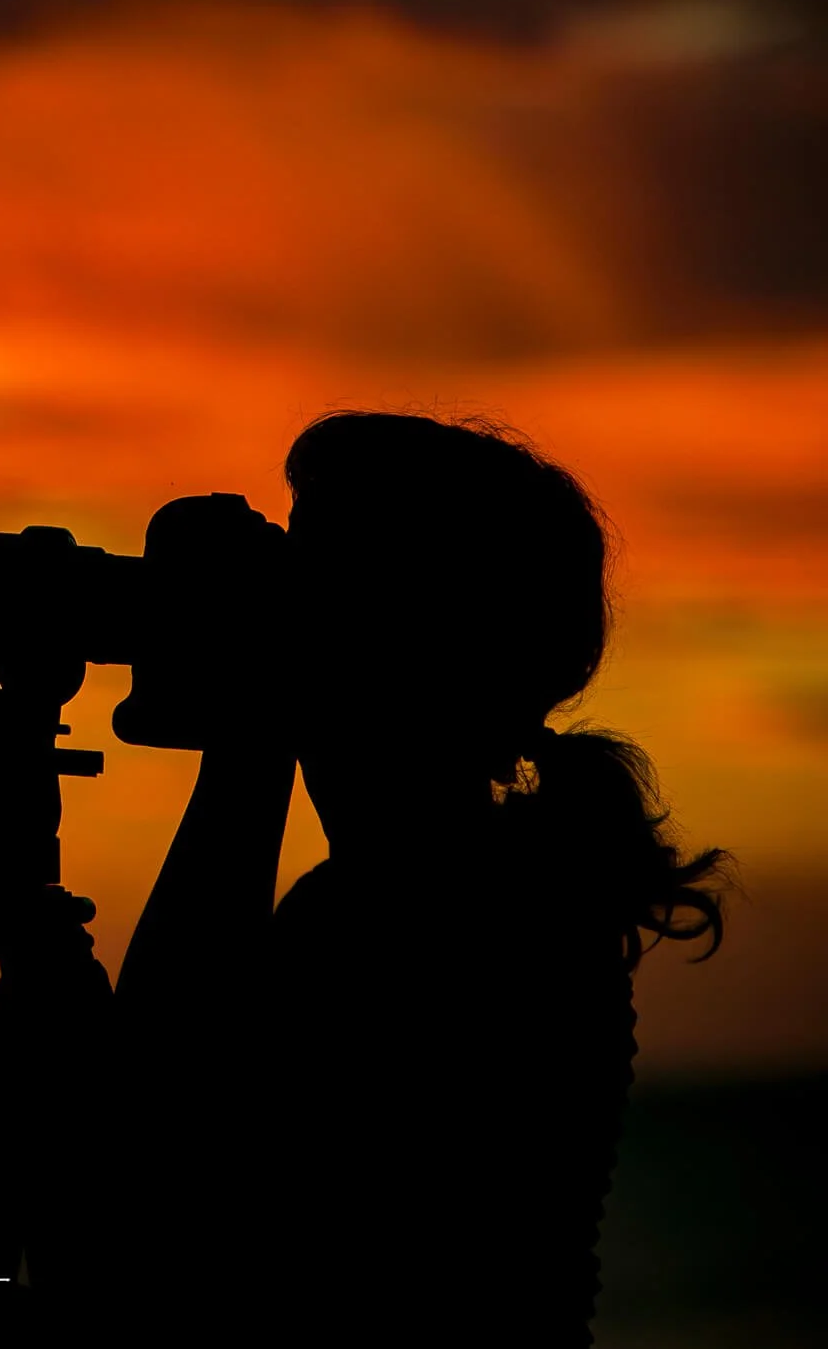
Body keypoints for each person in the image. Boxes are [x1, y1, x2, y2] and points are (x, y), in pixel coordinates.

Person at [110, 411, 730, 1346]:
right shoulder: (484, 886)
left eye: (313, 576)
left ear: (402, 633)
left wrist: (249, 737)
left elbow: (156, 1141)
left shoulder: (425, 914)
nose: (284, 604)